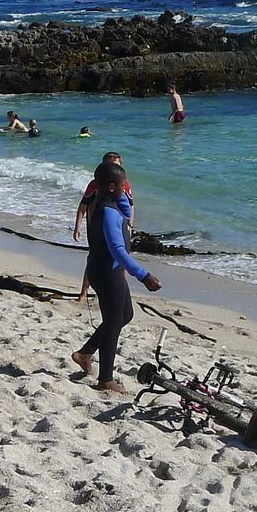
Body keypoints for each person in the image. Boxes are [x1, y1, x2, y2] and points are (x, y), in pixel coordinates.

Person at [70, 161, 159, 394]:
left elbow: (126, 215)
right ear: (110, 187)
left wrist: (123, 203)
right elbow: (117, 249)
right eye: (121, 186)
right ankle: (105, 380)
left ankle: (85, 353)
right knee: (113, 323)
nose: (124, 190)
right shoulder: (108, 211)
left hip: (106, 270)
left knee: (125, 315)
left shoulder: (104, 202)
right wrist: (144, 275)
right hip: (106, 272)